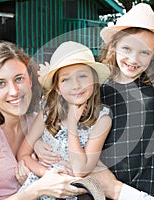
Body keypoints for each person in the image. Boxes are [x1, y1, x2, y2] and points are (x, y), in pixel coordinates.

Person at [33, 4, 154, 200]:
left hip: (151, 180)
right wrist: (39, 142)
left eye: (144, 52)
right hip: (106, 178)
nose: (133, 59)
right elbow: (60, 109)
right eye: (127, 48)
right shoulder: (98, 87)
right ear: (114, 46)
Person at [0, 41, 86, 200]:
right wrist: (35, 190)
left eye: (19, 79)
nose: (14, 91)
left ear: (30, 80)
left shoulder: (34, 121)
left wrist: (38, 147)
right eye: (0, 83)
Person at [17, 41, 112, 200]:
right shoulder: (48, 114)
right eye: (65, 79)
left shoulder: (102, 120)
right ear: (58, 89)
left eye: (82, 76)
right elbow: (23, 153)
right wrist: (47, 175)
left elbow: (81, 169)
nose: (75, 85)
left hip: (71, 194)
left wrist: (72, 123)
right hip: (41, 188)